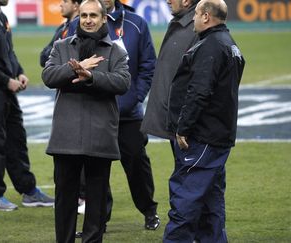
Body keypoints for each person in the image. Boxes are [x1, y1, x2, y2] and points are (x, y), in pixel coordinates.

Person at [41, 0, 131, 241]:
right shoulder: (61, 47)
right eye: (83, 16)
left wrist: (91, 76)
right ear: (77, 18)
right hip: (66, 136)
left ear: (103, 19)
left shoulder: (116, 51)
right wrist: (76, 68)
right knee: (65, 200)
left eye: (93, 15)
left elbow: (122, 82)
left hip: (100, 135)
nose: (88, 20)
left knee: (97, 201)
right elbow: (48, 76)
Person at [69, 0, 159, 234]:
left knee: (137, 164)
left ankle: (149, 210)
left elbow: (149, 63)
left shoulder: (136, 23)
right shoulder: (80, 24)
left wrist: (135, 97)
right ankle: (97, 222)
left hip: (128, 114)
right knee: (93, 170)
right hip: (93, 112)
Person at [163, 0, 245, 241]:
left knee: (185, 199)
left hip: (203, 137)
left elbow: (199, 92)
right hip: (218, 135)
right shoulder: (230, 45)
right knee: (211, 202)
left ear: (207, 17)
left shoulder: (210, 46)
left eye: (197, 14)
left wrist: (183, 128)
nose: (194, 19)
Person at [0, 0, 54, 211]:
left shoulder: (0, 17)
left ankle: (29, 191)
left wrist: (20, 72)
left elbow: (9, 52)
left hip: (7, 91)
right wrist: (6, 81)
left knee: (17, 141)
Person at [140, 0, 200, 142]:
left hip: (186, 124)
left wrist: (185, 123)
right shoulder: (180, 24)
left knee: (192, 164)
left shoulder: (195, 29)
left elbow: (198, 82)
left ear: (186, 1)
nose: (167, 1)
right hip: (176, 120)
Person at [40, 0, 82, 68]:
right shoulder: (62, 27)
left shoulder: (80, 27)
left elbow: (68, 58)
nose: (61, 5)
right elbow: (43, 58)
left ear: (75, 5)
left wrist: (55, 52)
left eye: (65, 1)